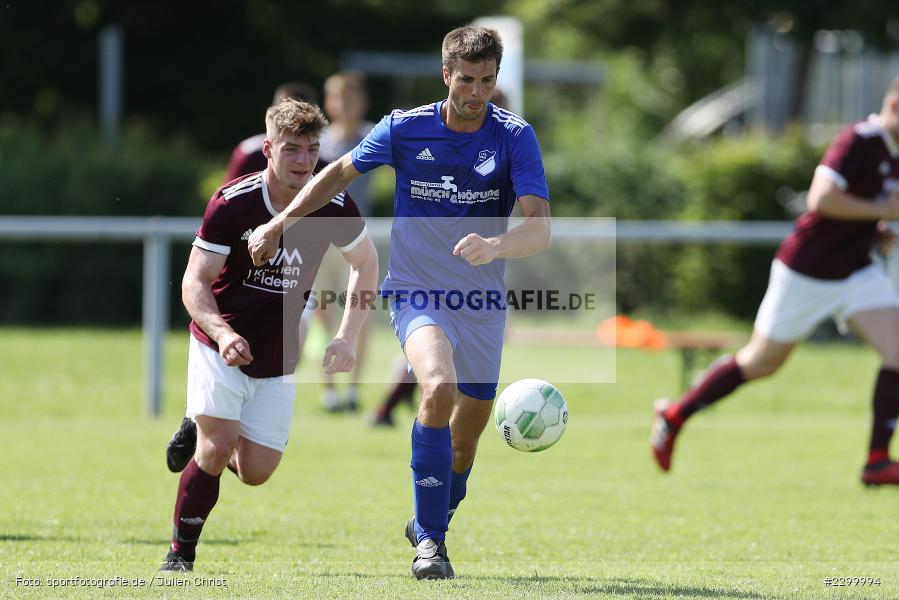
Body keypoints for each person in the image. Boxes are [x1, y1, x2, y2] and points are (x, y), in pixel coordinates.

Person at [248, 26, 551, 579]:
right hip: (417, 291)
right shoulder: (405, 128)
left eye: (487, 81)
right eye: (467, 80)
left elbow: (539, 229)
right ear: (446, 75)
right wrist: (280, 222)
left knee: (466, 441)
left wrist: (496, 245)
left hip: (482, 303)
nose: (477, 92)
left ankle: (431, 517)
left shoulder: (515, 136)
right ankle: (431, 546)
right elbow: (336, 174)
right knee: (436, 386)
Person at [159, 98, 378, 571]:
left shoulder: (334, 204)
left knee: (256, 472)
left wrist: (345, 335)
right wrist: (219, 333)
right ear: (269, 150)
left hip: (279, 350)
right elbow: (194, 282)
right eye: (292, 150)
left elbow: (366, 266)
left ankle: (201, 421)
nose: (304, 162)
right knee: (216, 449)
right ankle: (180, 555)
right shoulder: (233, 205)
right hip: (221, 343)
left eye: (312, 150)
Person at [651, 75, 899, 485]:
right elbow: (822, 199)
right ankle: (675, 415)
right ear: (894, 106)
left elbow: (864, 209)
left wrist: (876, 229)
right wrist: (880, 208)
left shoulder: (893, 152)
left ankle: (877, 461)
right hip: (807, 269)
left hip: (856, 270)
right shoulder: (859, 139)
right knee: (761, 362)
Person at [367, 87, 511, 428]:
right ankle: (388, 407)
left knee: (449, 375)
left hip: (481, 276)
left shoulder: (509, 143)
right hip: (429, 280)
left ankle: (397, 411)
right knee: (435, 367)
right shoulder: (432, 142)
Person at [315, 71, 377, 412]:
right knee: (322, 313)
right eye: (339, 97)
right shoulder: (320, 141)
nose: (345, 104)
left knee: (358, 312)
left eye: (351, 97)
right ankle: (329, 389)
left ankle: (354, 389)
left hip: (358, 242)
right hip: (322, 240)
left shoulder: (372, 137)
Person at [223, 81, 320, 184]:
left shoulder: (325, 159)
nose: (302, 160)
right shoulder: (249, 152)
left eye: (312, 149)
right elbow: (229, 193)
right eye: (291, 149)